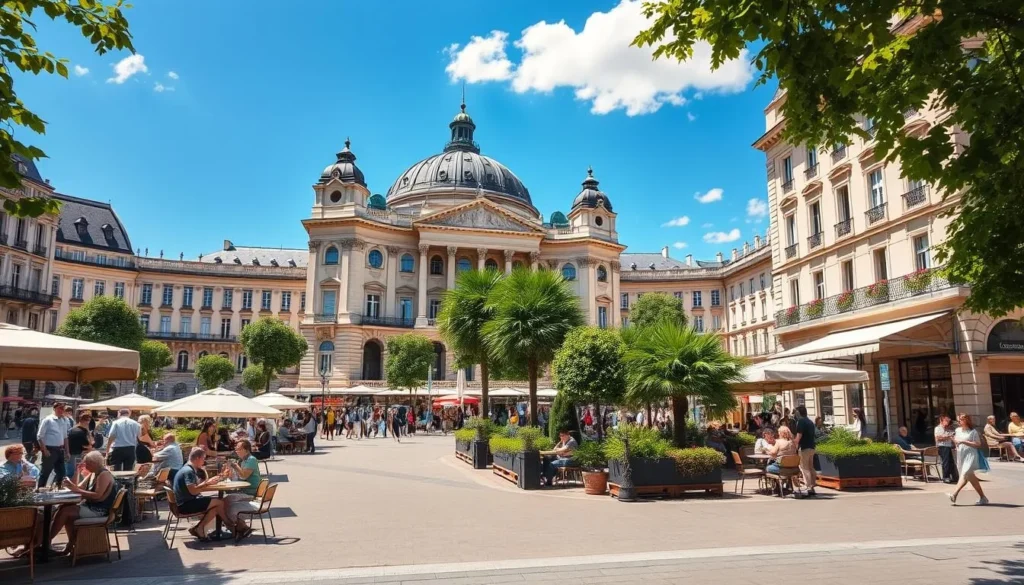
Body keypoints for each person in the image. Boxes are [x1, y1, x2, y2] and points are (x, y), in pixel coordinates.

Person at [43, 451, 116, 553]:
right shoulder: (93, 474)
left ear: (93, 463)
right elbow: (78, 487)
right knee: (64, 508)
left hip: (99, 510)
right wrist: (77, 472)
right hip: (91, 506)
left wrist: (76, 489)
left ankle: (45, 542)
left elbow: (97, 495)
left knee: (65, 512)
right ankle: (68, 545)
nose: (85, 466)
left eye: (86, 464)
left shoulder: (104, 475)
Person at [173, 447, 239, 541]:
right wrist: (207, 484)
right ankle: (231, 526)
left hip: (183, 503)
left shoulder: (186, 468)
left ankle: (201, 528)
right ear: (197, 458)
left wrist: (210, 482)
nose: (204, 462)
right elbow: (193, 491)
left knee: (216, 506)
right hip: (185, 505)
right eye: (203, 459)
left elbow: (195, 487)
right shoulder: (188, 471)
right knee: (220, 503)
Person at [224, 439, 262, 541]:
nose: (236, 451)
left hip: (250, 492)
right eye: (236, 449)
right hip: (244, 490)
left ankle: (240, 527)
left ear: (246, 450)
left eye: (239, 449)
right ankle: (239, 527)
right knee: (223, 502)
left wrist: (236, 466)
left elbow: (244, 476)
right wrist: (229, 470)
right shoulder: (243, 461)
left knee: (226, 503)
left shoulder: (251, 460)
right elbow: (236, 478)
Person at [949, 413, 989, 505]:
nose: (959, 421)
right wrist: (953, 440)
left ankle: (954, 494)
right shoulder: (957, 430)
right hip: (961, 454)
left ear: (967, 420)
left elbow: (978, 444)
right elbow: (957, 442)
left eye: (961, 419)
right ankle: (983, 497)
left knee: (965, 473)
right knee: (970, 477)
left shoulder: (973, 431)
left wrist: (964, 441)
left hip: (971, 455)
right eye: (959, 419)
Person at [37, 402, 71, 488]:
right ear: (54, 409)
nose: (61, 410)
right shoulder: (48, 420)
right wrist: (45, 450)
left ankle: (58, 488)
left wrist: (67, 451)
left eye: (63, 409)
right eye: (59, 408)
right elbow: (40, 436)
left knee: (61, 472)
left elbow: (65, 437)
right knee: (46, 471)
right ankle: (40, 489)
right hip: (50, 449)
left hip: (60, 449)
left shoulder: (64, 420)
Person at [103, 408, 140, 472]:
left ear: (119, 413)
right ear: (129, 414)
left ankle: (117, 478)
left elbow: (111, 436)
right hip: (130, 448)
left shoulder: (116, 423)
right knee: (128, 471)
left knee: (116, 470)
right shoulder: (135, 423)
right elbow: (138, 436)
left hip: (118, 448)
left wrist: (107, 450)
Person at [793, 405, 817, 498]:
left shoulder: (801, 421)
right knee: (811, 467)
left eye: (796, 412)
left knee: (804, 468)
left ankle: (808, 487)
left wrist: (794, 444)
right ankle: (813, 486)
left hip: (804, 447)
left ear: (799, 413)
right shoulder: (810, 421)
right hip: (812, 447)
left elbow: (799, 436)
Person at [66, 412, 94, 481]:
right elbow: (89, 444)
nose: (88, 423)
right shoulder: (82, 432)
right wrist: (88, 432)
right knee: (77, 472)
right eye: (87, 420)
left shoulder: (72, 429)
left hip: (71, 454)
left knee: (71, 473)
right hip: (78, 455)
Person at [935, 414, 959, 483]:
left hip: (948, 446)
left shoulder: (948, 428)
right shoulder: (938, 428)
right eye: (946, 421)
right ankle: (946, 477)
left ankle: (954, 476)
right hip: (942, 446)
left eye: (948, 421)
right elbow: (938, 438)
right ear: (941, 421)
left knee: (951, 462)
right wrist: (948, 436)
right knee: (946, 462)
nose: (947, 422)